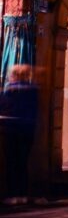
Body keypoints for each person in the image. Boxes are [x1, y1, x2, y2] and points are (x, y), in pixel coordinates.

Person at [0, 65, 39, 205]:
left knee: (11, 163)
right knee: (22, 163)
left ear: (14, 76)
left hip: (10, 131)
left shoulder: (9, 91)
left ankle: (13, 194)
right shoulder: (33, 91)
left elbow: (3, 107)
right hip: (27, 131)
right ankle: (22, 193)